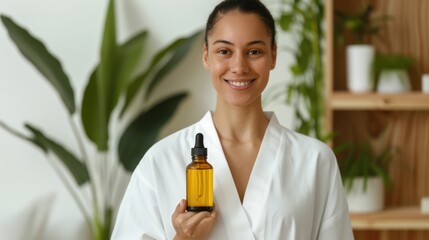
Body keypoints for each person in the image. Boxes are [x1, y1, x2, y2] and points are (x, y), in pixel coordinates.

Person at [111, 0, 354, 239]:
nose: (239, 66)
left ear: (273, 56)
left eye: (254, 52)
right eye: (224, 51)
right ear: (206, 56)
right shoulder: (161, 161)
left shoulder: (315, 161)